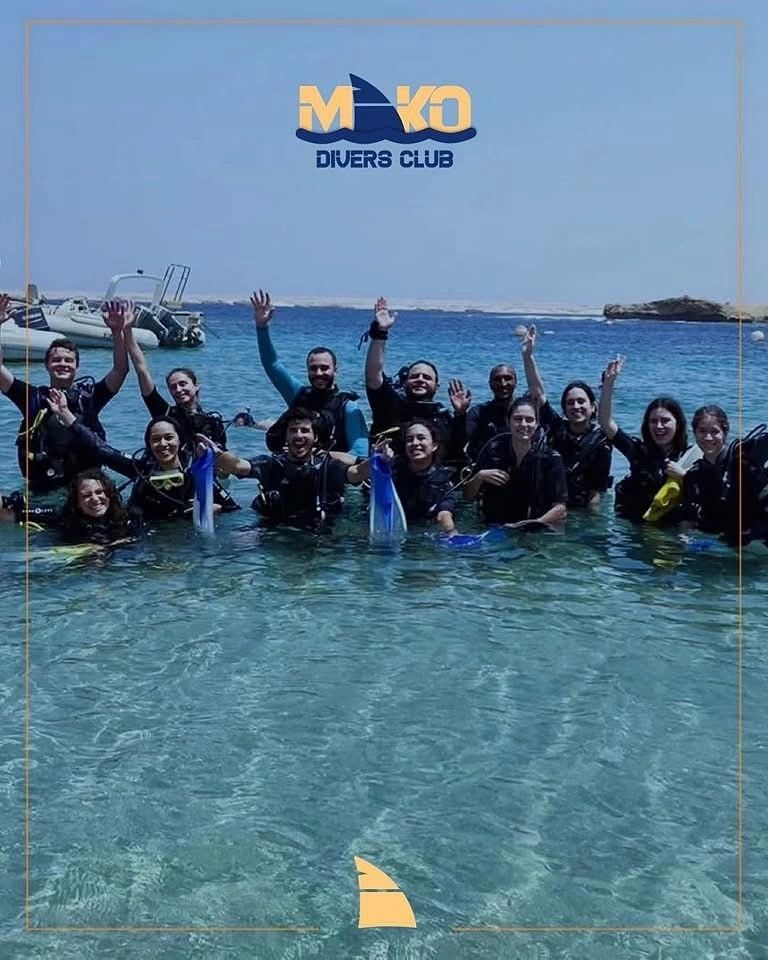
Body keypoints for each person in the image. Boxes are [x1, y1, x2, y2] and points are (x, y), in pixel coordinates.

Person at [44, 389, 239, 523]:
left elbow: (234, 510)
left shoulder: (196, 473)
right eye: (156, 439)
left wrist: (215, 510)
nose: (163, 444)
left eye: (169, 438)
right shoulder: (141, 469)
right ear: (148, 444)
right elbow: (100, 449)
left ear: (179, 441)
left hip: (189, 541)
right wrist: (67, 416)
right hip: (148, 541)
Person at [0, 294, 129, 494]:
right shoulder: (32, 398)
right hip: (43, 487)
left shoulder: (90, 397)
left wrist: (117, 331)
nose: (63, 364)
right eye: (57, 360)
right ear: (47, 366)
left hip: (86, 488)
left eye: (68, 361)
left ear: (77, 366)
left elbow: (120, 370)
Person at [250, 289, 369, 456]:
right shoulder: (298, 395)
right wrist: (262, 327)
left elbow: (361, 453)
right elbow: (272, 365)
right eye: (313, 369)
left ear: (336, 370)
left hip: (331, 475)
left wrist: (320, 456)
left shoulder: (347, 407)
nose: (319, 373)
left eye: (324, 368)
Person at [207, 407, 369, 530]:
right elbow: (237, 466)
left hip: (320, 534)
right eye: (293, 431)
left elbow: (357, 472)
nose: (299, 435)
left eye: (305, 431)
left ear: (316, 437)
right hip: (275, 531)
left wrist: (379, 461)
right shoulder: (271, 465)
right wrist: (214, 453)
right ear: (286, 436)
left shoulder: (328, 467)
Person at [363, 296, 470, 463]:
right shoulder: (390, 406)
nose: (420, 380)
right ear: (405, 383)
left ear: (436, 387)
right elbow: (373, 375)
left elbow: (456, 449)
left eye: (427, 378)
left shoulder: (444, 418)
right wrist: (380, 334)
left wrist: (461, 414)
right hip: (389, 480)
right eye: (415, 376)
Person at [521, 324, 612, 507]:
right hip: (551, 504)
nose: (576, 406)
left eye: (581, 401)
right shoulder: (557, 428)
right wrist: (528, 356)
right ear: (563, 409)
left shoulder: (601, 440)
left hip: (581, 508)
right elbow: (538, 393)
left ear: (593, 407)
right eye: (570, 403)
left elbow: (597, 490)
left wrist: (591, 526)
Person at [122, 303, 227, 453]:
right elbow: (142, 370)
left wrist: (213, 454)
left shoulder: (212, 421)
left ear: (196, 385)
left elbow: (224, 473)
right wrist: (127, 330)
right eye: (173, 387)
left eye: (183, 384)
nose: (178, 390)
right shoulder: (164, 414)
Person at [598, 356, 690, 522]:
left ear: (679, 423)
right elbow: (606, 424)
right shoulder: (639, 451)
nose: (659, 426)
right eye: (653, 421)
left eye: (665, 421)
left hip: (671, 532)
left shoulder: (690, 456)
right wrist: (608, 385)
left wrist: (684, 476)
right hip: (636, 532)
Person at [464, 396, 568, 527]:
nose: (524, 424)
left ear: (536, 425)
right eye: (518, 419)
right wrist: (479, 477)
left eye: (529, 420)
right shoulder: (492, 450)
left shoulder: (551, 458)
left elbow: (560, 509)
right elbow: (468, 496)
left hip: (533, 528)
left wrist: (533, 523)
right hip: (493, 525)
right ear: (508, 421)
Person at [1, 468, 141, 545]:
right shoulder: (63, 516)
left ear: (110, 494)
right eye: (86, 496)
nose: (95, 499)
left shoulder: (129, 516)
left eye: (99, 492)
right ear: (77, 502)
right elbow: (15, 511)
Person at [368, 420, 458, 534]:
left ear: (434, 446)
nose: (415, 443)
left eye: (421, 438)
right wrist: (378, 461)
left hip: (424, 532)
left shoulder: (444, 479)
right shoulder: (391, 469)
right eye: (409, 440)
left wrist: (452, 532)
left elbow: (444, 514)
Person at [464, 362, 517, 462]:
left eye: (508, 378)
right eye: (497, 379)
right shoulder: (478, 413)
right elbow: (459, 442)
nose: (503, 384)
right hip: (485, 470)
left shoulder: (524, 413)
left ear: (516, 382)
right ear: (490, 384)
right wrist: (460, 413)